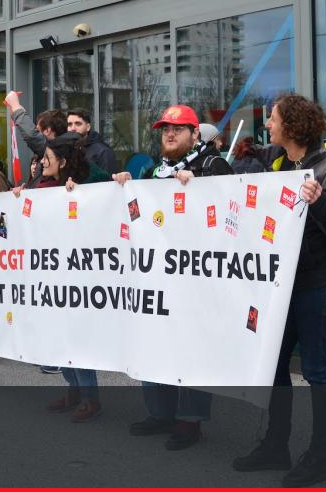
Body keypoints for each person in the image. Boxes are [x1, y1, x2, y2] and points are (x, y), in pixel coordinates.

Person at [231, 94, 326, 487]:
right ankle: (276, 444)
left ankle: (321, 458)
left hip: (320, 283)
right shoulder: (281, 165)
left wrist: (319, 202)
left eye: (272, 119)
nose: (267, 125)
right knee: (274, 364)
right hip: (285, 284)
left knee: (318, 371)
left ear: (291, 125)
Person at [112, 105, 233, 450]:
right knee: (154, 341)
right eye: (165, 128)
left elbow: (229, 214)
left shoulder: (212, 165)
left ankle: (189, 420)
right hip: (158, 276)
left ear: (195, 135)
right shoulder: (156, 171)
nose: (169, 134)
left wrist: (201, 189)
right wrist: (126, 185)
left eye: (178, 129)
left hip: (196, 278)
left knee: (189, 348)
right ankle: (160, 413)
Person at [13, 133, 102, 420]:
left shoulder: (87, 181)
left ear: (62, 161)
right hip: (52, 272)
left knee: (77, 335)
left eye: (46, 158)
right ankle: (73, 389)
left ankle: (90, 397)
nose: (41, 163)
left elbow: (108, 196)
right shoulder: (44, 184)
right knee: (59, 333)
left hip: (79, 273)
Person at [67, 107, 117, 173]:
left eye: (78, 124)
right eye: (69, 124)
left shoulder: (103, 152)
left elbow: (107, 181)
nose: (73, 128)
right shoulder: (66, 150)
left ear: (88, 127)